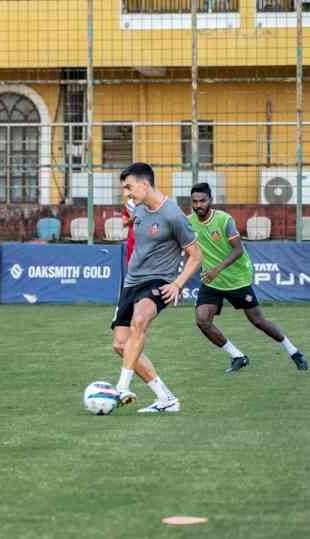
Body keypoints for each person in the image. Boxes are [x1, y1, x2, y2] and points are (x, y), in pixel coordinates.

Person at [111, 163, 203, 413]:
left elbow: (196, 255)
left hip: (159, 281)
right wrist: (131, 220)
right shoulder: (137, 207)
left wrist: (177, 283)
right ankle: (165, 398)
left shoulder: (173, 215)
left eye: (129, 187)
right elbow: (137, 219)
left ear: (145, 184)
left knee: (140, 321)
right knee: (121, 345)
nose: (127, 193)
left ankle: (122, 387)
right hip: (132, 281)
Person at [189, 182, 307, 372]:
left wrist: (217, 269)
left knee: (258, 321)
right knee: (202, 320)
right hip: (212, 282)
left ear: (210, 200)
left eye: (202, 201)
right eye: (194, 201)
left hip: (237, 279)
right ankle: (238, 356)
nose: (198, 205)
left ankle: (294, 352)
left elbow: (238, 250)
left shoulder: (224, 220)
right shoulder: (189, 222)